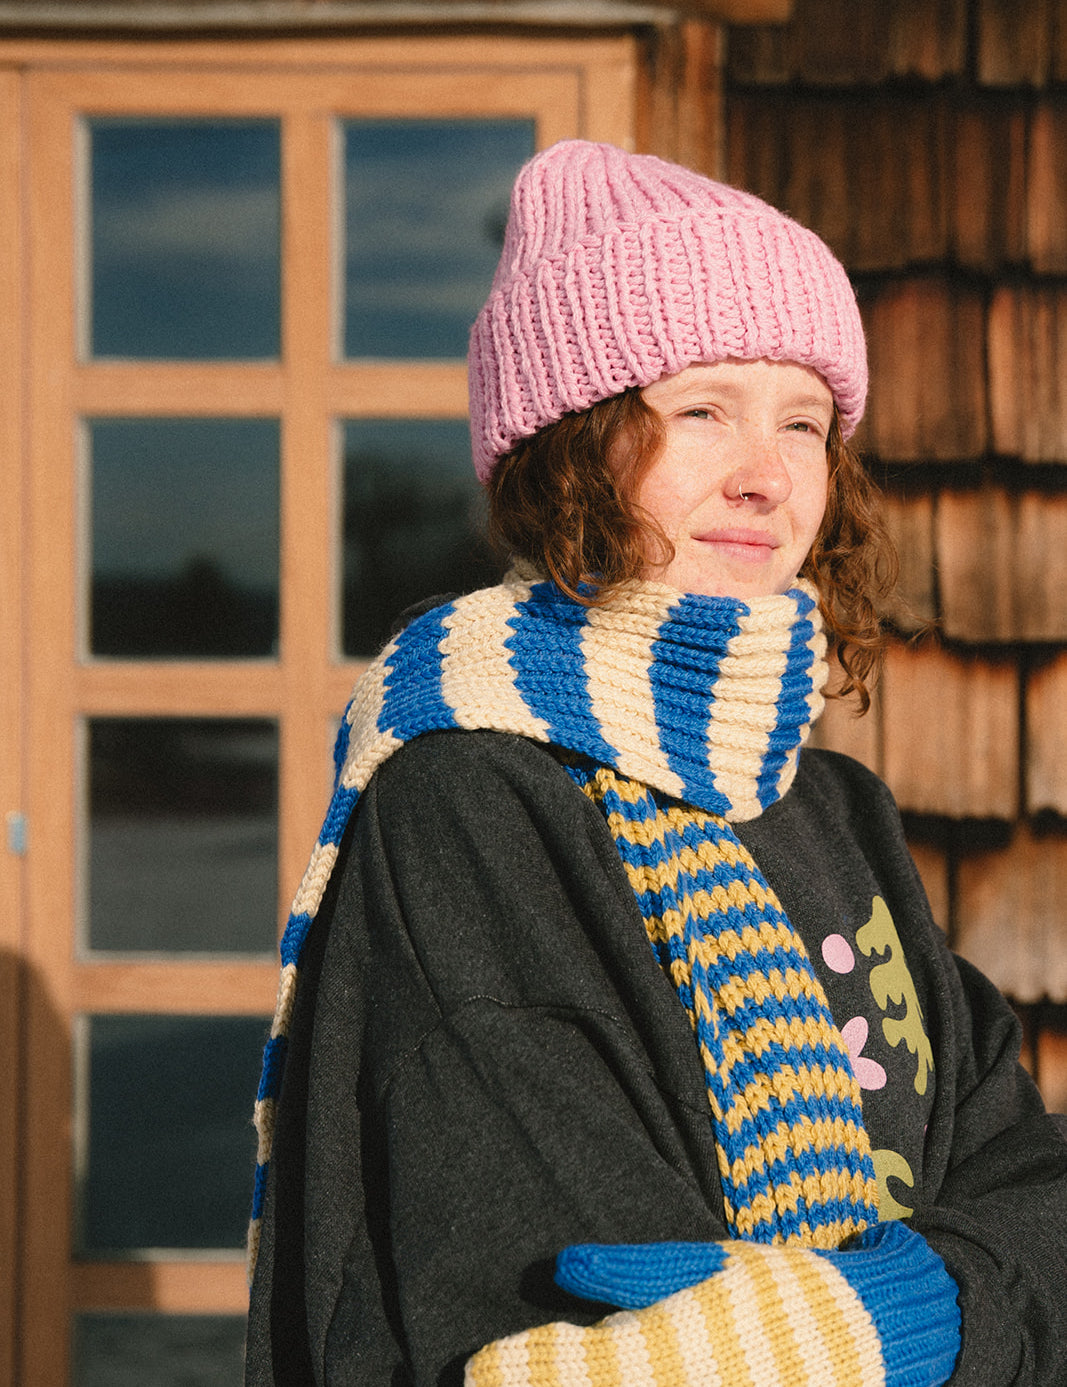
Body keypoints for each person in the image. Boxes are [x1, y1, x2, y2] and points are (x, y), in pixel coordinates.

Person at [244, 141, 1067, 1386]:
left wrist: (899, 1311)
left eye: (802, 421)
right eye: (699, 412)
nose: (764, 474)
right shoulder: (468, 801)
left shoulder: (824, 805)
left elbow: (1030, 1192)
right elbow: (566, 1285)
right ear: (569, 449)